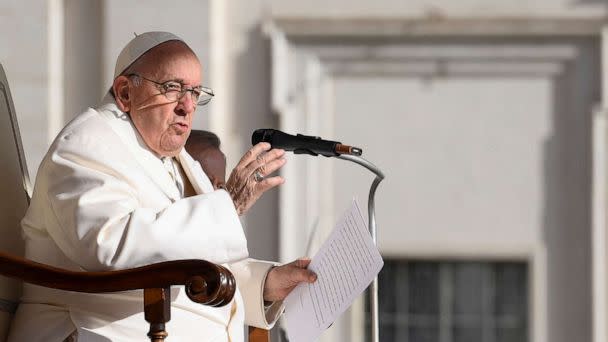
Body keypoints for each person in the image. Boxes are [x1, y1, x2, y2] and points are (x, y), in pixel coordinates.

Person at [8, 32, 316, 341]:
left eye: (195, 93)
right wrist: (228, 205)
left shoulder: (176, 158)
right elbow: (107, 244)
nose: (187, 106)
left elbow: (195, 263)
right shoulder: (87, 141)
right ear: (125, 92)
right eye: (172, 88)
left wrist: (266, 284)